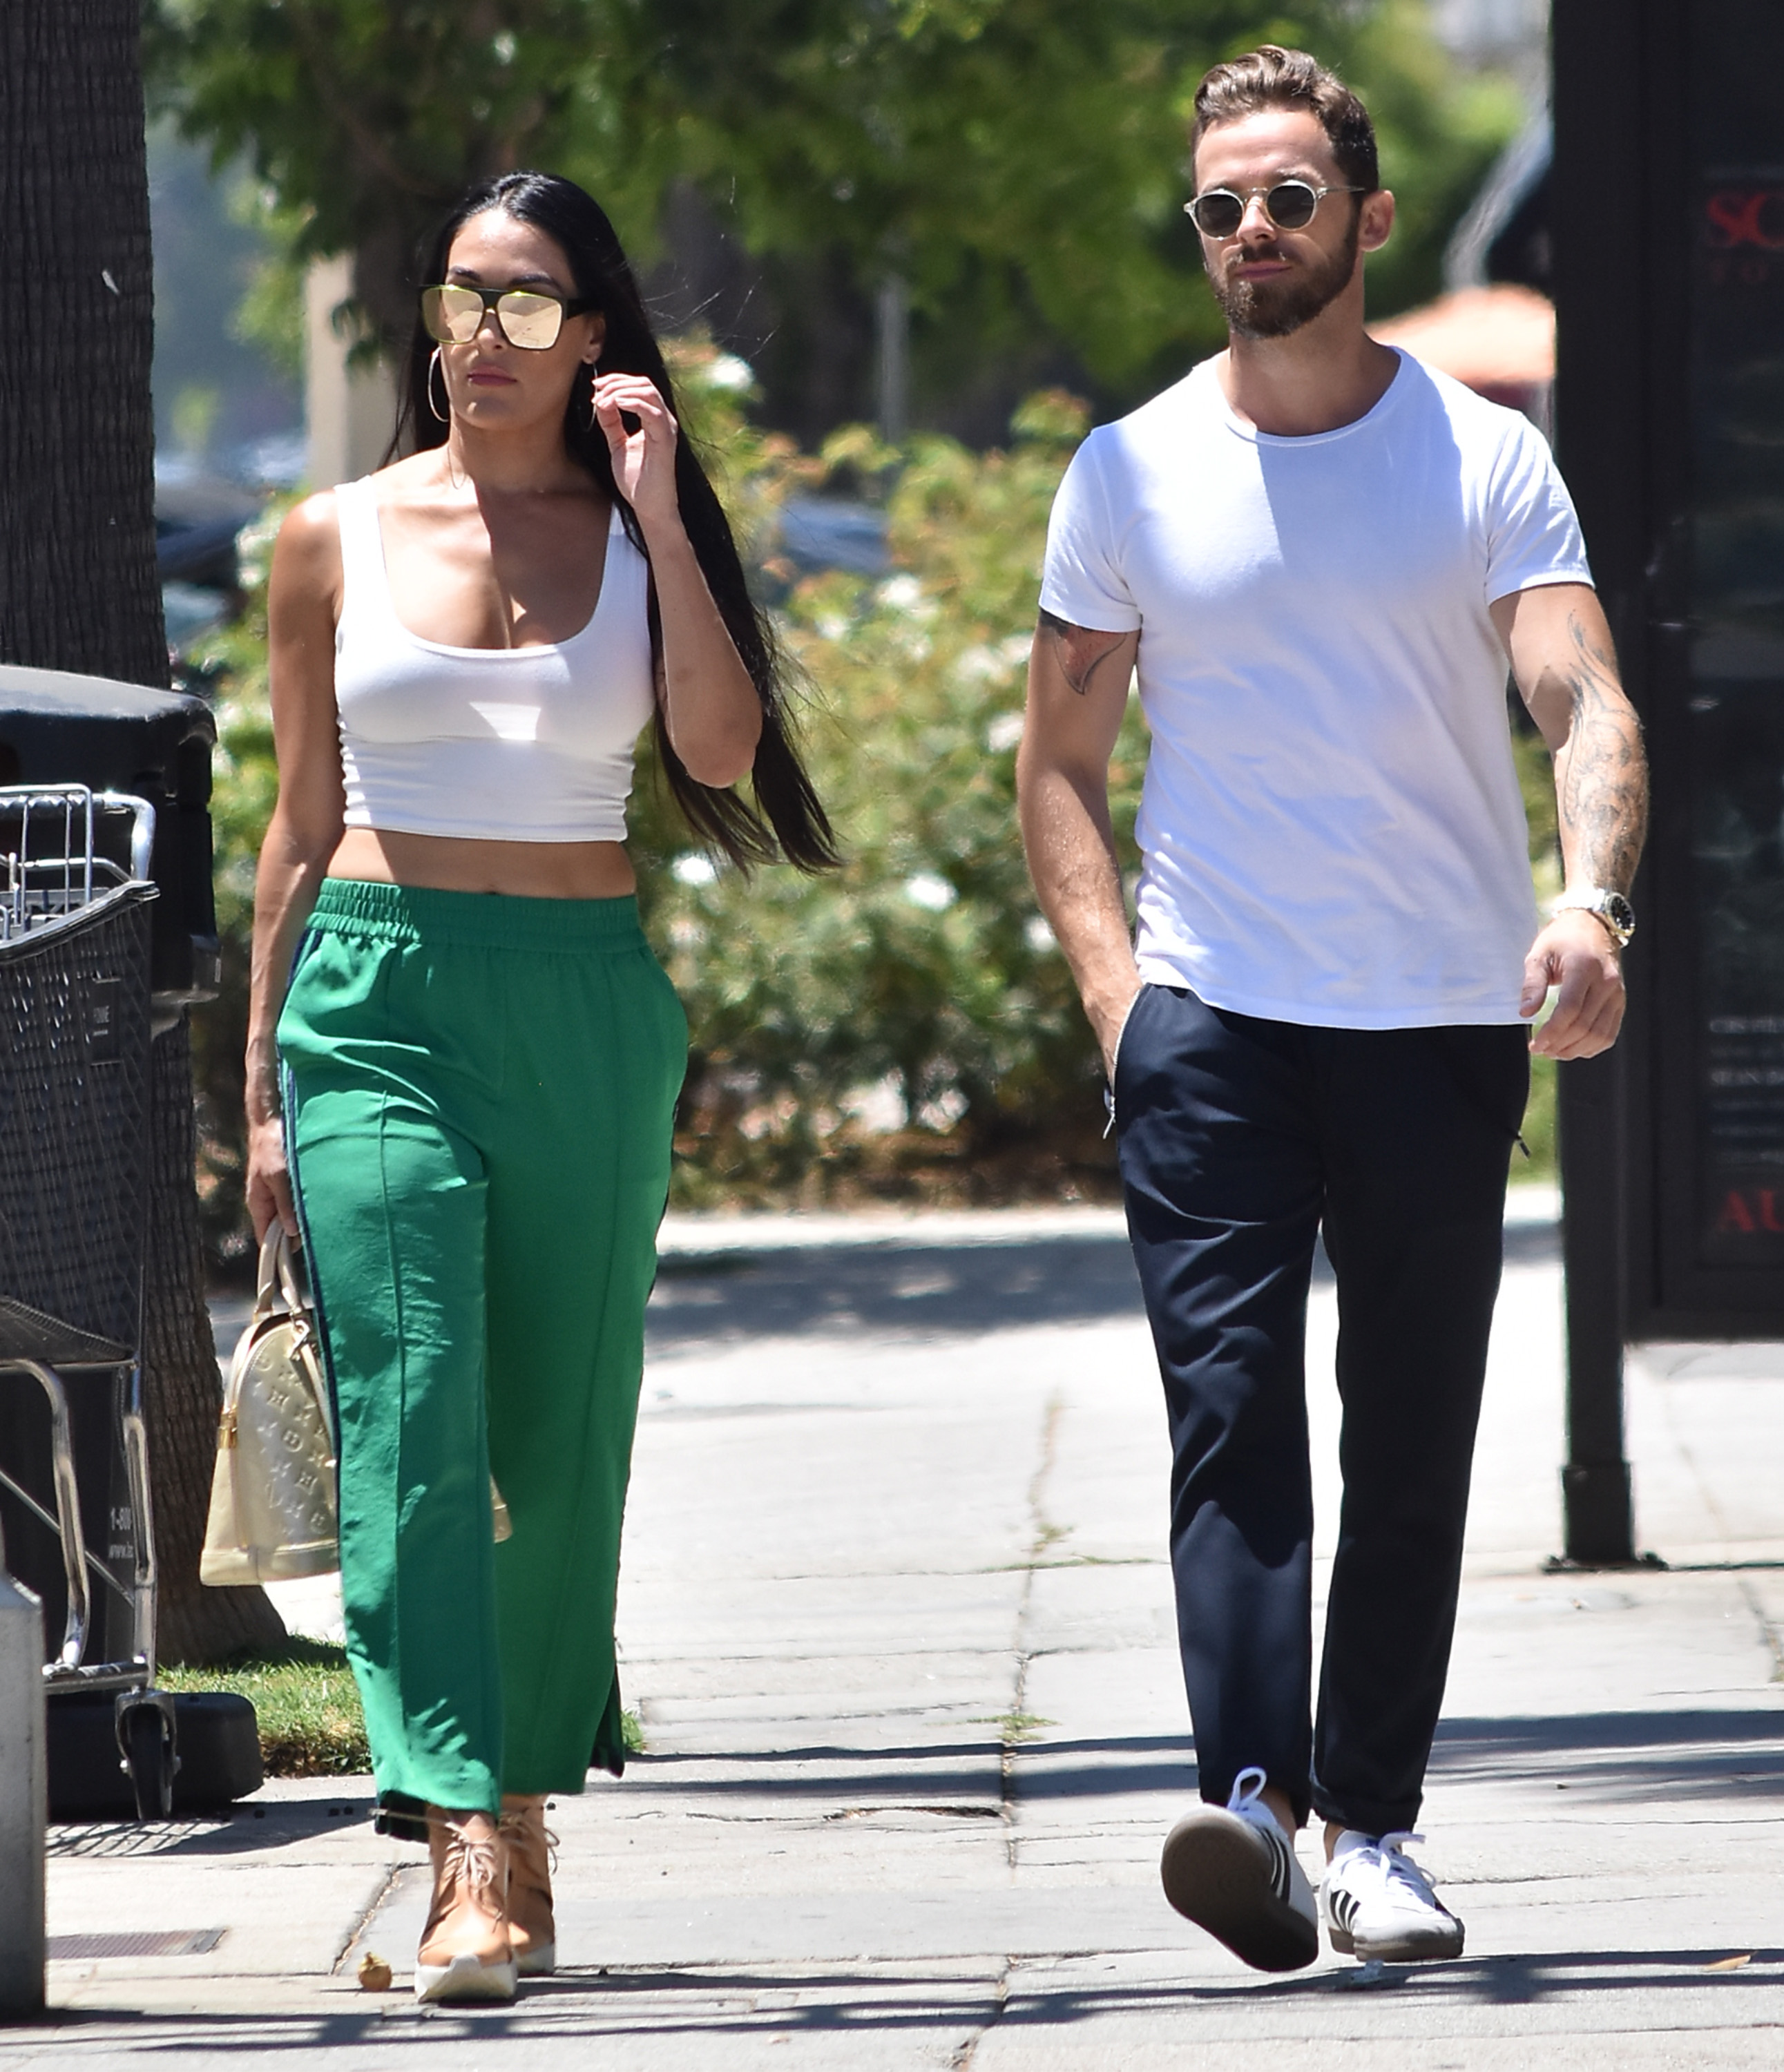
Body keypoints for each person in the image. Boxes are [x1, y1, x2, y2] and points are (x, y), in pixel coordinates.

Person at [1017, 46, 1647, 1973]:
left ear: (1365, 219)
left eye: (1287, 198)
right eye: (1220, 206)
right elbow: (1058, 762)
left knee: (1414, 1431)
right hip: (1211, 1018)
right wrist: (1125, 1004)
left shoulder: (1479, 457)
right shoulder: (1127, 469)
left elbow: (1583, 699)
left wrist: (1594, 902)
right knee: (1231, 1431)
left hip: (1440, 1024)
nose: (1252, 233)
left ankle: (1376, 1821)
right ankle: (1260, 1812)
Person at [244, 170, 836, 2003]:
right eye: (459, 298)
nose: (478, 336)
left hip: (583, 1008)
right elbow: (291, 828)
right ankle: (467, 1844)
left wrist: (662, 517)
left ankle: (520, 1806)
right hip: (375, 1000)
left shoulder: (633, 526)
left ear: (594, 340)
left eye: (525, 306)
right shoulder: (329, 538)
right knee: (417, 1419)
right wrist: (264, 1096)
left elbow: (721, 751)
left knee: (556, 1447)